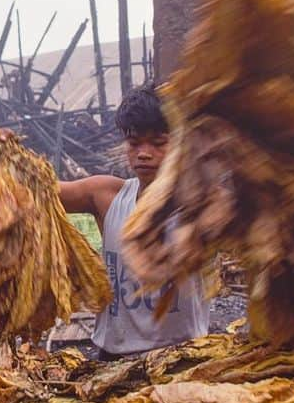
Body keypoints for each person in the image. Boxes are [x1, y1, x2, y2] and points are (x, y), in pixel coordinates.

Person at [57, 84, 210, 360]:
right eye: (134, 142)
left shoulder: (201, 203)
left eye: (159, 142)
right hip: (112, 357)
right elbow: (38, 191)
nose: (144, 153)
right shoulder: (106, 196)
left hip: (181, 357)